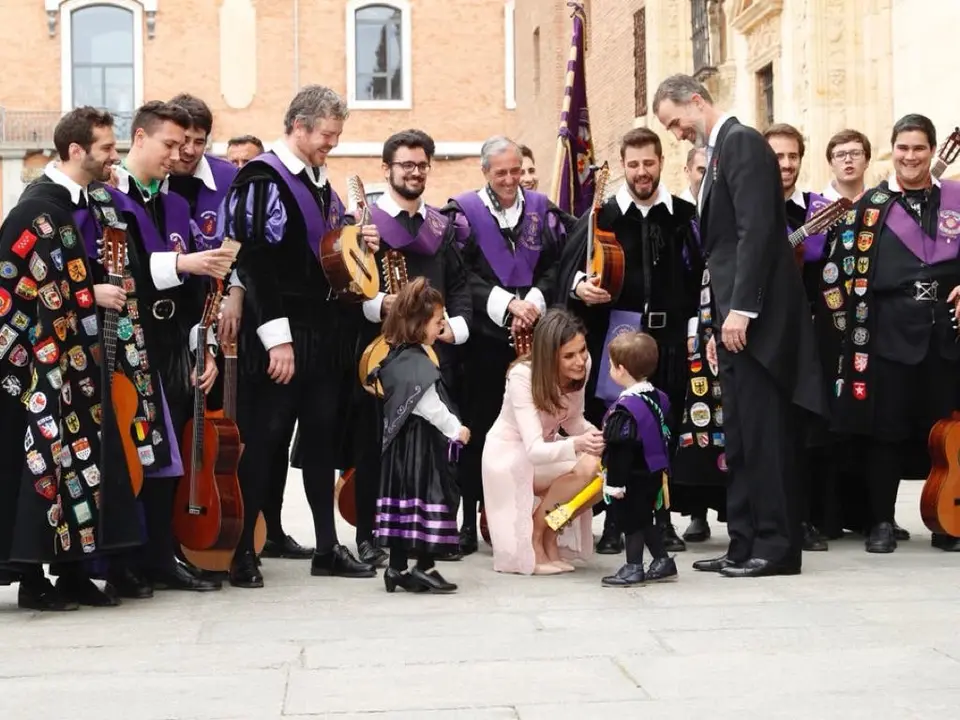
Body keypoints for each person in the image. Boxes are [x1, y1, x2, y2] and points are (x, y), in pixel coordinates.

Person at [653, 74, 827, 577]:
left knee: (766, 435)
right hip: (728, 319)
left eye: (675, 121)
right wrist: (715, 322)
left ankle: (775, 547)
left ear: (697, 101)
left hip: (757, 322)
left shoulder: (744, 142)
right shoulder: (720, 151)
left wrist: (742, 309)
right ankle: (743, 541)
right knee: (742, 437)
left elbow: (757, 232)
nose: (676, 132)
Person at [223, 84, 378, 588]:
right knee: (264, 441)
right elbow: (256, 262)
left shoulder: (318, 177)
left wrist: (358, 240)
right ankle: (243, 549)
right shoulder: (262, 178)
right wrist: (278, 339)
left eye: (336, 135)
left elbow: (323, 252)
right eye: (327, 135)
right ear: (299, 126)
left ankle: (328, 547)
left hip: (324, 332)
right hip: (281, 332)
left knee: (319, 439)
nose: (332, 144)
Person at [0, 107, 143, 610]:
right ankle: (32, 580)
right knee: (45, 471)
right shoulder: (36, 208)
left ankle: (76, 572)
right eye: (106, 147)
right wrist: (90, 294)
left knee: (84, 473)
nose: (114, 155)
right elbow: (21, 287)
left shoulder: (94, 204)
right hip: (41, 372)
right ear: (76, 150)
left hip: (82, 367)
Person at [92, 100, 231, 594]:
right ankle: (125, 559)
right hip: (129, 339)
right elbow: (127, 268)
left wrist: (206, 347)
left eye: (186, 145)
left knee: (171, 453)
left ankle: (162, 553)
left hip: (176, 340)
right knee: (135, 450)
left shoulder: (176, 203)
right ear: (141, 138)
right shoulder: (108, 199)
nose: (178, 154)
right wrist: (187, 264)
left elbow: (197, 289)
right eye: (169, 144)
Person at [559, 127, 703, 554]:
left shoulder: (683, 214)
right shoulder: (600, 217)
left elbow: (701, 274)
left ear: (661, 162)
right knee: (615, 433)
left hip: (670, 339)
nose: (642, 172)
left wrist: (696, 327)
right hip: (616, 341)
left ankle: (662, 520)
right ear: (623, 165)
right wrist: (578, 285)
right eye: (634, 164)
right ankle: (614, 523)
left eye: (649, 163)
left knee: (663, 431)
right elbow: (566, 269)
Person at [822, 114, 960, 553]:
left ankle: (945, 520)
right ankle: (881, 520)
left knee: (947, 430)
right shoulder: (871, 205)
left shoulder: (956, 199)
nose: (911, 156)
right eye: (903, 148)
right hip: (888, 333)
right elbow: (839, 271)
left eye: (919, 148)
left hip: (947, 333)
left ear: (933, 151)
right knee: (887, 431)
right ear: (892, 150)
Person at [353, 129, 472, 567]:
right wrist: (379, 304)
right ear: (387, 170)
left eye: (421, 164)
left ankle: (430, 539)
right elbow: (351, 288)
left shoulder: (441, 226)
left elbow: (459, 285)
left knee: (435, 448)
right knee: (376, 448)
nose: (415, 172)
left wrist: (452, 328)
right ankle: (370, 536)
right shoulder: (365, 226)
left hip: (433, 356)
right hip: (383, 357)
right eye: (406, 164)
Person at [443, 136, 567, 556]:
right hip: (484, 337)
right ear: (485, 173)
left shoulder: (542, 213)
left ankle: (527, 514)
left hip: (534, 335)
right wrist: (506, 304)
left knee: (532, 425)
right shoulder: (463, 216)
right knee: (477, 426)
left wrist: (532, 301)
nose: (511, 180)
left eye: (516, 171)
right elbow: (460, 276)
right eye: (501, 173)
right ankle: (467, 518)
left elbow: (556, 267)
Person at [481, 308, 602, 575]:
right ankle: (537, 533)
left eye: (582, 350)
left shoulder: (584, 365)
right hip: (509, 455)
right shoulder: (522, 376)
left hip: (547, 449)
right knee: (588, 469)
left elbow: (573, 420)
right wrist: (580, 444)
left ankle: (550, 532)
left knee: (602, 478)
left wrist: (602, 437)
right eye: (569, 356)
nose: (580, 361)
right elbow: (534, 450)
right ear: (549, 357)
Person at [374, 278, 468, 593]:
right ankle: (424, 566)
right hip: (420, 453)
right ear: (418, 324)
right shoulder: (417, 363)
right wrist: (457, 429)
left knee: (404, 507)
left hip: (401, 452)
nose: (441, 327)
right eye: (437, 322)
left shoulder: (398, 355)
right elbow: (431, 407)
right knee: (428, 500)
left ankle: (397, 569)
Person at [599, 331, 678, 587]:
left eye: (611, 365)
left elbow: (622, 451)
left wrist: (615, 483)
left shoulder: (626, 410)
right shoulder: (659, 397)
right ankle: (663, 561)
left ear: (621, 369)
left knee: (631, 523)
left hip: (633, 476)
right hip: (655, 471)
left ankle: (633, 566)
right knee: (645, 519)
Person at [822, 129, 871, 202]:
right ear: (831, 164)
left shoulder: (881, 205)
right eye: (840, 155)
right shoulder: (817, 206)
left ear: (867, 161)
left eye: (855, 153)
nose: (848, 160)